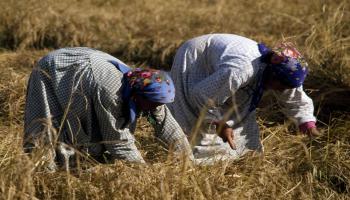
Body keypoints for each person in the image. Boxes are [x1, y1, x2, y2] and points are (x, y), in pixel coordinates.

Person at [23, 47, 193, 170]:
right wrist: (145, 173)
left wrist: (188, 161)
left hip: (90, 68)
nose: (157, 108)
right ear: (138, 96)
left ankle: (78, 168)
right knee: (49, 128)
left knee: (95, 142)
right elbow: (118, 142)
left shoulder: (149, 90)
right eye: (155, 104)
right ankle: (43, 175)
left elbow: (167, 125)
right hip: (55, 70)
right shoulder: (113, 93)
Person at [168, 34, 321, 164]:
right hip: (196, 57)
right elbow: (201, 95)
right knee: (198, 123)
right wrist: (219, 123)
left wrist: (308, 125)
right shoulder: (241, 70)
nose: (283, 90)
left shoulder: (287, 71)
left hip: (224, 67)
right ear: (272, 74)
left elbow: (295, 97)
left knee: (240, 117)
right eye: (282, 86)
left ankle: (242, 158)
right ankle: (195, 163)